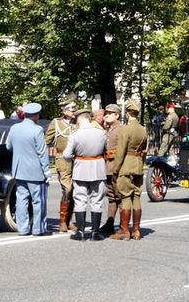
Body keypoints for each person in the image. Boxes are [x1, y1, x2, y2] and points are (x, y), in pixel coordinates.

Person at [5, 102, 52, 236]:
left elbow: (8, 146)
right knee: (38, 201)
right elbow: (42, 153)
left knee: (21, 200)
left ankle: (23, 228)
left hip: (19, 170)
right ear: (36, 116)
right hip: (36, 171)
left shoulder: (14, 128)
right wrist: (47, 171)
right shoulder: (37, 130)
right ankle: (38, 229)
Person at [62, 108, 108, 241]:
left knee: (80, 200)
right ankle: (95, 232)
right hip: (98, 169)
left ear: (79, 119)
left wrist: (75, 156)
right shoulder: (101, 133)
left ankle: (80, 232)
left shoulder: (75, 135)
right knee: (97, 200)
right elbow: (106, 149)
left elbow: (66, 155)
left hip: (81, 169)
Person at [111, 100, 148, 241]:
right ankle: (137, 230)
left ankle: (125, 230)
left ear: (127, 113)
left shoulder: (125, 129)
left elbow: (120, 152)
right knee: (137, 197)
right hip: (138, 165)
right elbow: (144, 150)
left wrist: (116, 169)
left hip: (126, 165)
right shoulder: (143, 130)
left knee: (126, 196)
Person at [45, 102, 78, 232]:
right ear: (64, 111)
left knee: (75, 190)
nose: (74, 112)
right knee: (67, 188)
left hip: (76, 159)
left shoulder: (77, 124)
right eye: (71, 110)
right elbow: (47, 140)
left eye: (75, 110)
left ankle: (69, 220)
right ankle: (62, 221)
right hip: (62, 159)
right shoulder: (56, 123)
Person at [100, 104, 123, 235]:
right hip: (108, 167)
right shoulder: (108, 129)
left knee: (120, 196)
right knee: (111, 196)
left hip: (117, 167)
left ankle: (123, 225)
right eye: (106, 113)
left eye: (110, 113)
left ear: (117, 115)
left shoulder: (121, 129)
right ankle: (109, 223)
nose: (106, 115)